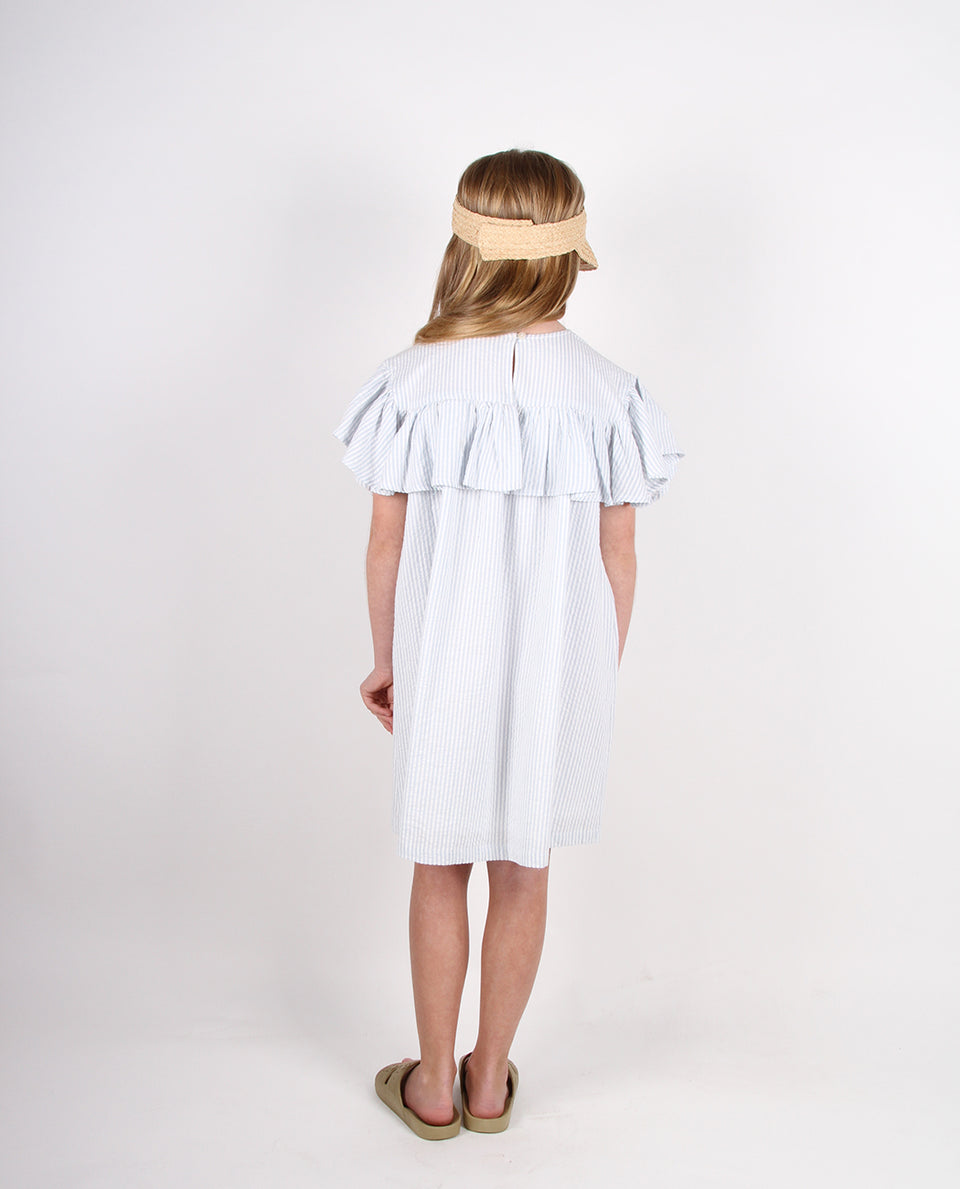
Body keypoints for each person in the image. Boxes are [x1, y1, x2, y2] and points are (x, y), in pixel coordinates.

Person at [332, 148, 685, 1140]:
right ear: (570, 252)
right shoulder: (610, 392)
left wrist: (388, 658)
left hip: (441, 658)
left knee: (439, 863)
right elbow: (618, 559)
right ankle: (490, 1083)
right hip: (556, 674)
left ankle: (432, 1085)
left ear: (464, 244)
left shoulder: (412, 381)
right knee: (525, 868)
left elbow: (386, 545)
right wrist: (590, 676)